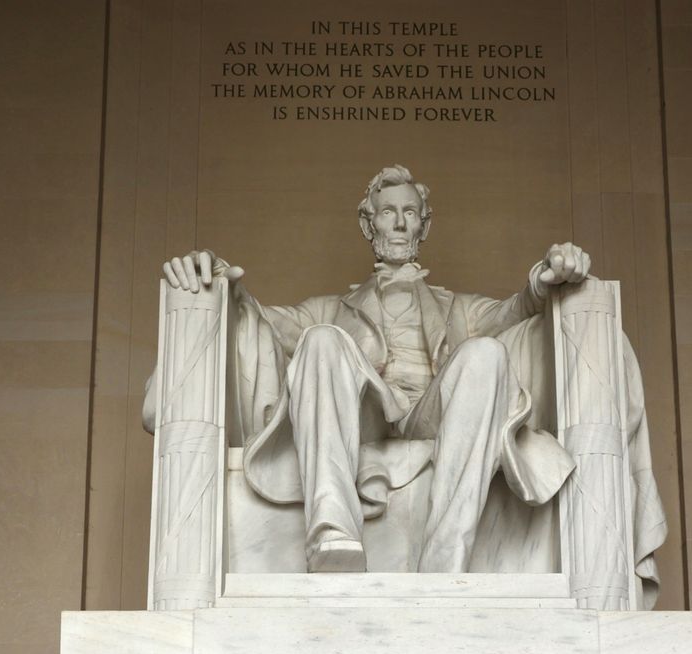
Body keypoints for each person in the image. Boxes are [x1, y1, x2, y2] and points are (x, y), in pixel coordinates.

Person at [154, 164, 597, 575]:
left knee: (485, 353)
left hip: (431, 415)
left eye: (410, 212)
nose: (400, 223)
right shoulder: (327, 309)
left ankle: (446, 557)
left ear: (426, 224)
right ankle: (333, 533)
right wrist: (216, 277)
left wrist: (546, 276)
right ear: (370, 225)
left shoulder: (458, 309)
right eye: (388, 212)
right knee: (322, 338)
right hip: (365, 414)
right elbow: (259, 319)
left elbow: (516, 309)